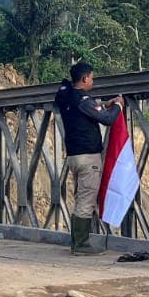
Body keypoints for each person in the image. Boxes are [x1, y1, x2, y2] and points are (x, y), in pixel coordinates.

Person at [54, 62, 124, 255]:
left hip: (73, 156)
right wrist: (117, 106)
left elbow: (87, 109)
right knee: (86, 200)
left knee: (80, 198)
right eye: (92, 77)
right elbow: (108, 119)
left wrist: (103, 104)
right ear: (85, 79)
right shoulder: (84, 99)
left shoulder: (67, 97)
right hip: (88, 157)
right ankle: (81, 245)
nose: (92, 80)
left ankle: (76, 242)